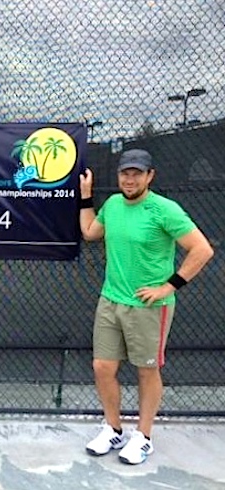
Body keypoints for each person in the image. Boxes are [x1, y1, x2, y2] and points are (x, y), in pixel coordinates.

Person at [78, 149, 213, 465]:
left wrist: (168, 286)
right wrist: (86, 197)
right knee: (102, 368)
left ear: (150, 176)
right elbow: (90, 233)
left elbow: (202, 250)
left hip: (149, 307)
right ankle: (113, 428)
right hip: (110, 301)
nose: (130, 179)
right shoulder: (112, 205)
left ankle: (143, 436)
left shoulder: (165, 210)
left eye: (137, 173)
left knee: (146, 370)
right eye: (125, 173)